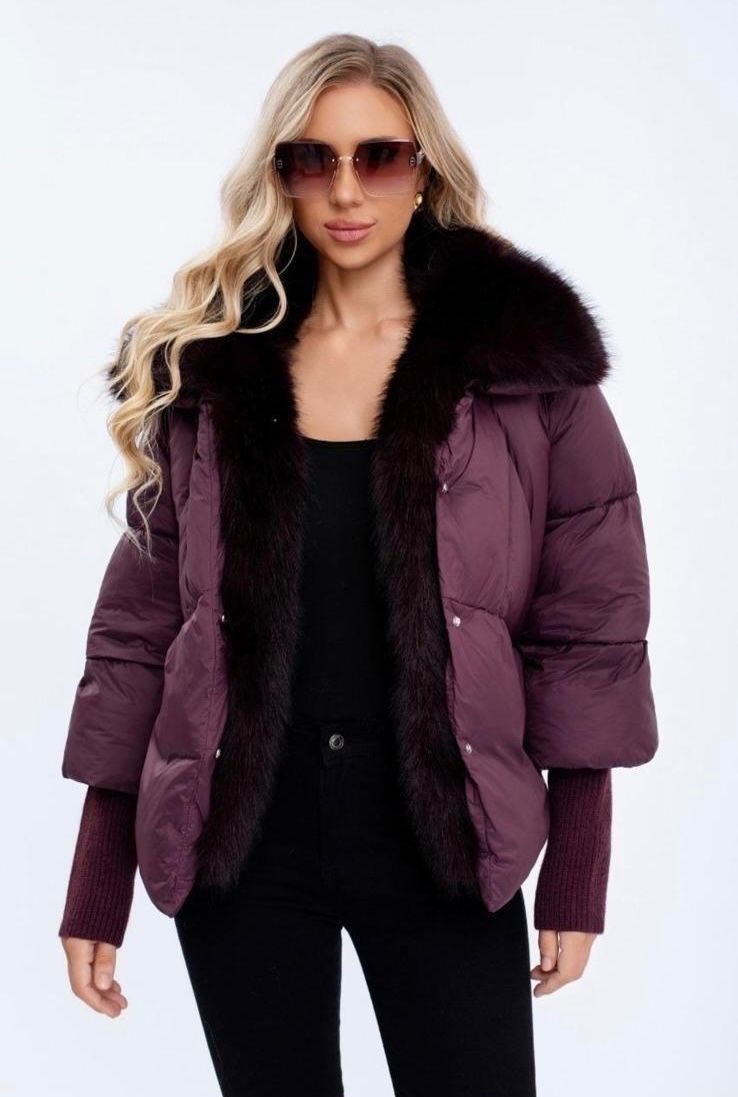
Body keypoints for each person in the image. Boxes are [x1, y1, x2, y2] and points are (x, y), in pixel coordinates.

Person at [58, 33, 658, 1097]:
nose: (345, 190)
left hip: (443, 832)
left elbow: (590, 628)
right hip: (242, 837)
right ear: (278, 175)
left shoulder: (524, 372)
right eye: (312, 159)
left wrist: (577, 865)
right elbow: (142, 631)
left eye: (378, 157)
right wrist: (98, 874)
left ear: (424, 170)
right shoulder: (214, 370)